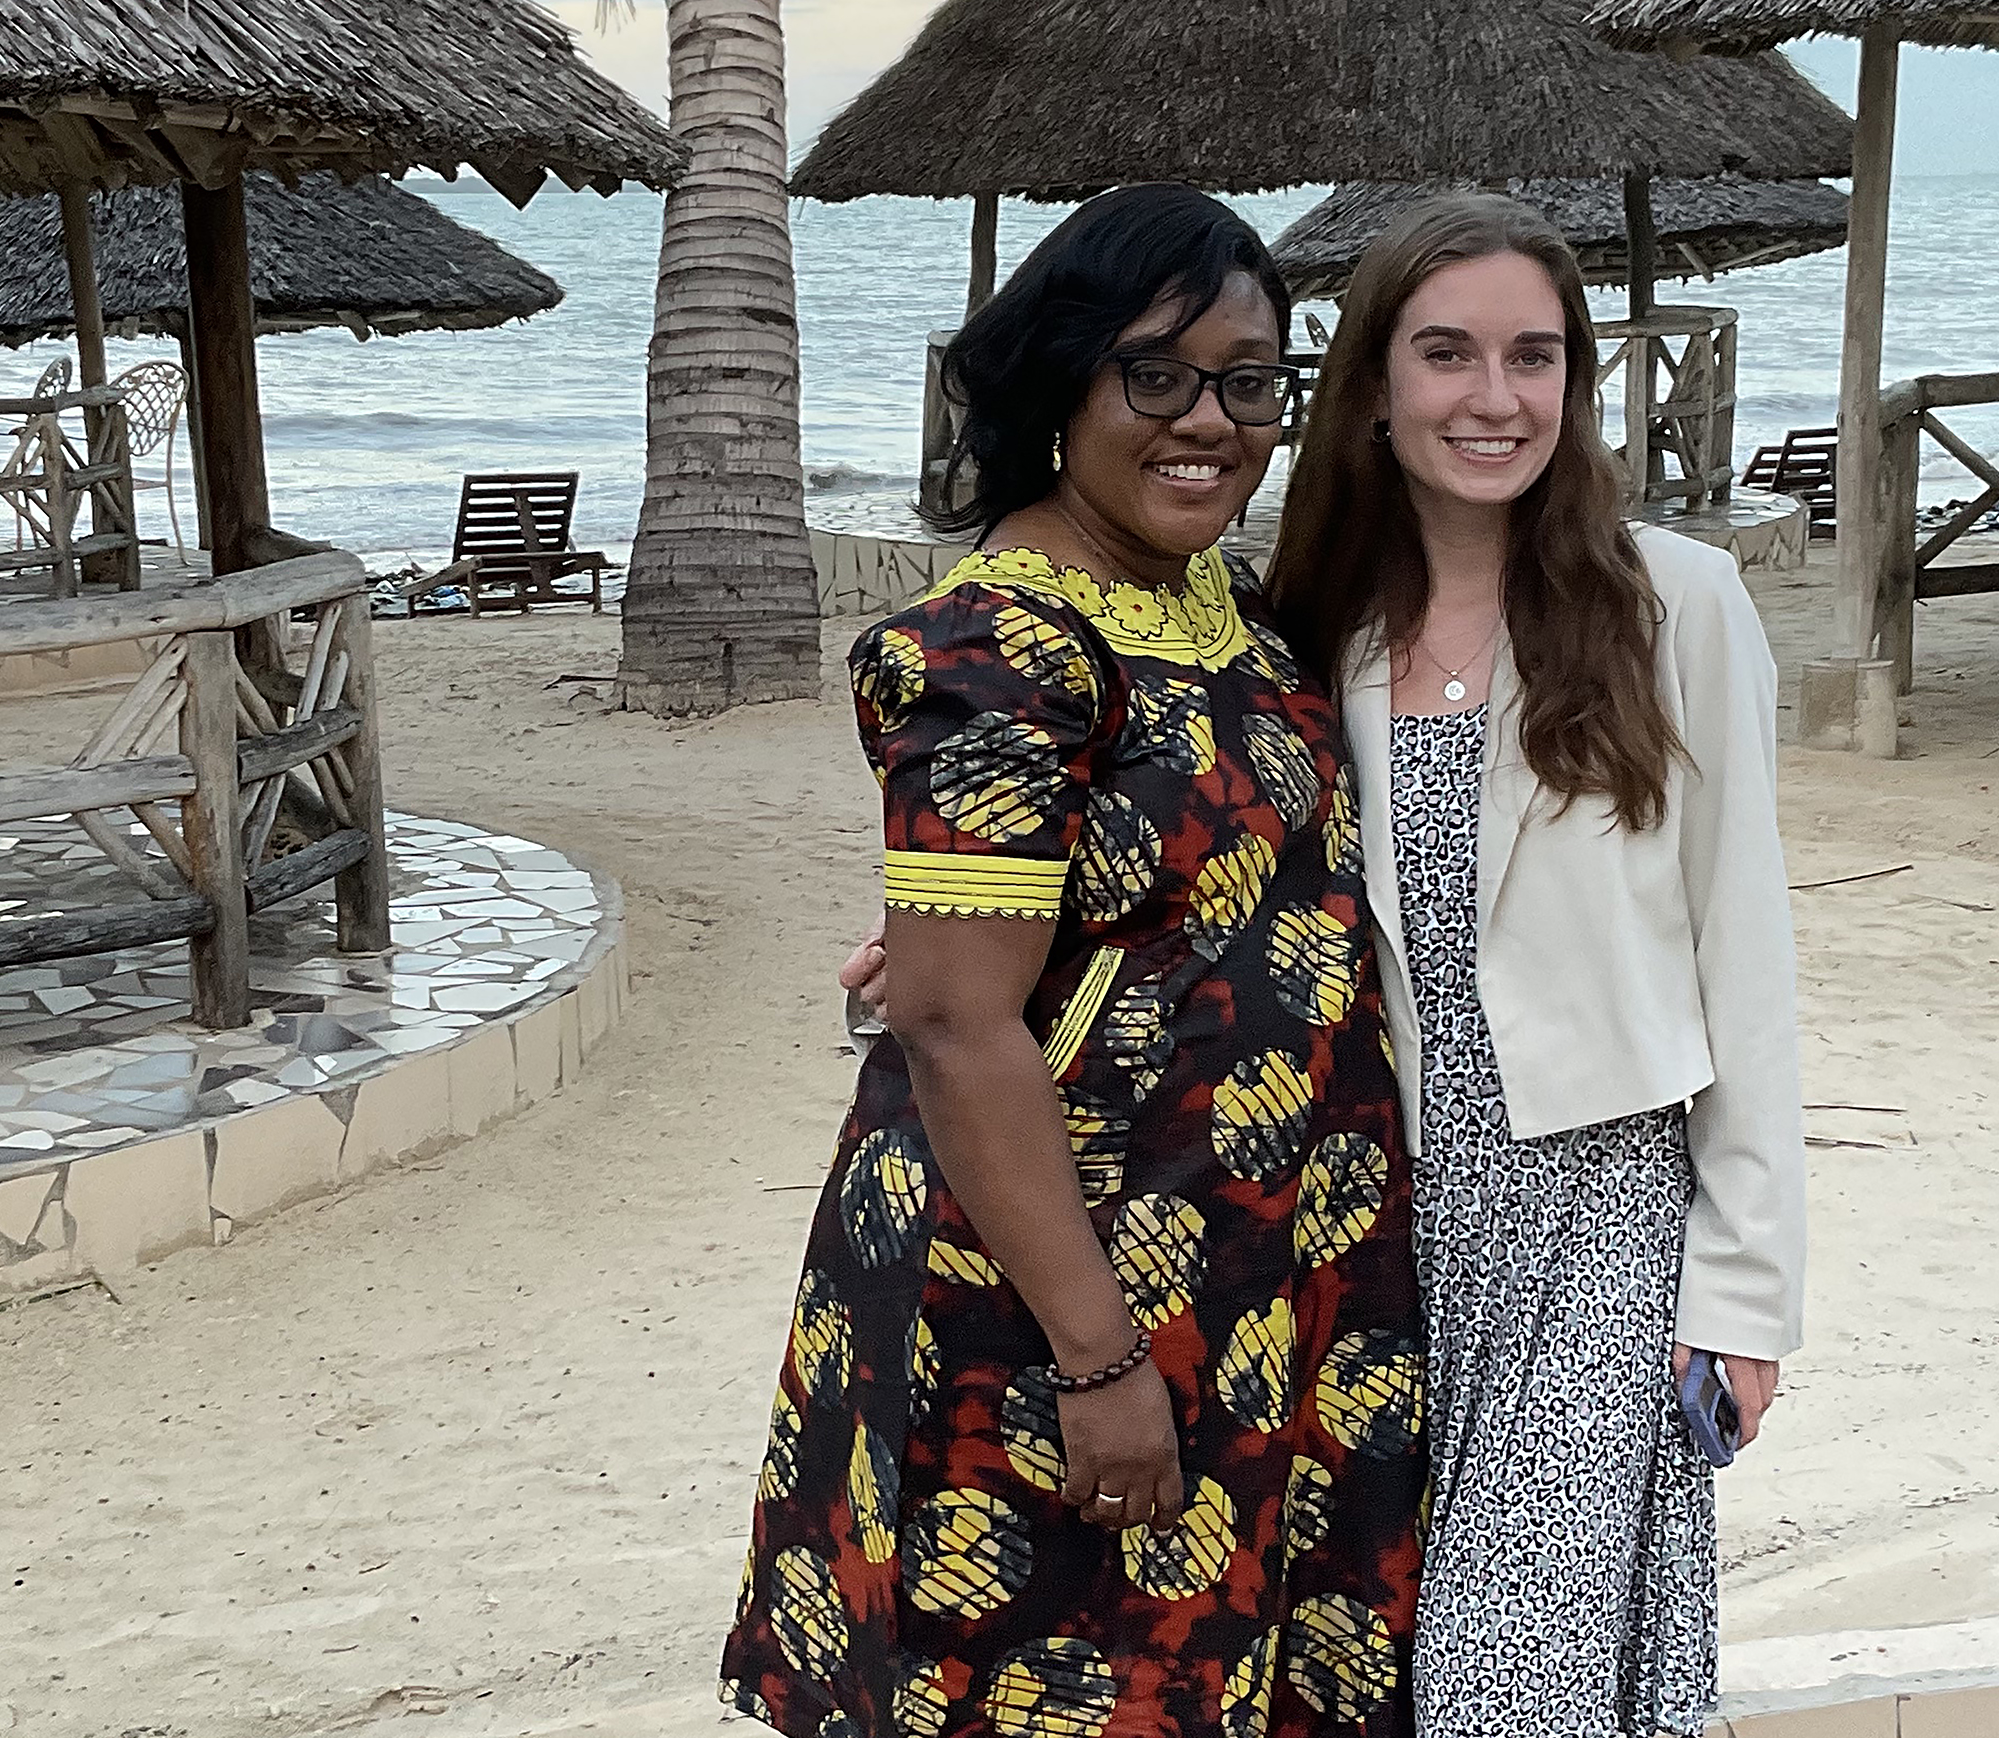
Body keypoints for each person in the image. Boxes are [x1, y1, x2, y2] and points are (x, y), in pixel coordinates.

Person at [726, 184, 1428, 1738]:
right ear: (1062, 385)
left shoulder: (1232, 611)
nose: (1212, 422)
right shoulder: (991, 648)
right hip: (1060, 1291)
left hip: (1266, 1274)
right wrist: (1099, 1359)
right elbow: (961, 1029)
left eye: (1251, 381)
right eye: (1156, 374)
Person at [1265, 193, 1804, 1736]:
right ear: (1373, 382)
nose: (1494, 398)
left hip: (1601, 1221)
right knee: (1375, 1665)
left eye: (1534, 356)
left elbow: (1747, 954)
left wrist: (1746, 1296)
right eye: (1446, 354)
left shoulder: (1670, 603)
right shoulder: (1314, 623)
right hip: (1372, 1231)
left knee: (1512, 1689)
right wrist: (946, 950)